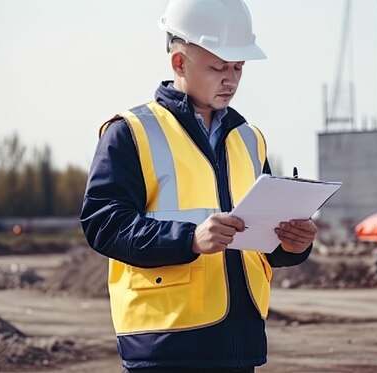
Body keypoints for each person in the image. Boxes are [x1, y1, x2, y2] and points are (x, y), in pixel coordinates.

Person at [80, 0, 317, 371]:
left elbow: (261, 242)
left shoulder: (250, 139)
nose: (232, 79)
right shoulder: (131, 132)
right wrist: (189, 239)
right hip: (165, 343)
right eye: (219, 67)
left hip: (239, 344)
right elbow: (103, 224)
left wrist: (291, 244)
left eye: (239, 67)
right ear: (179, 63)